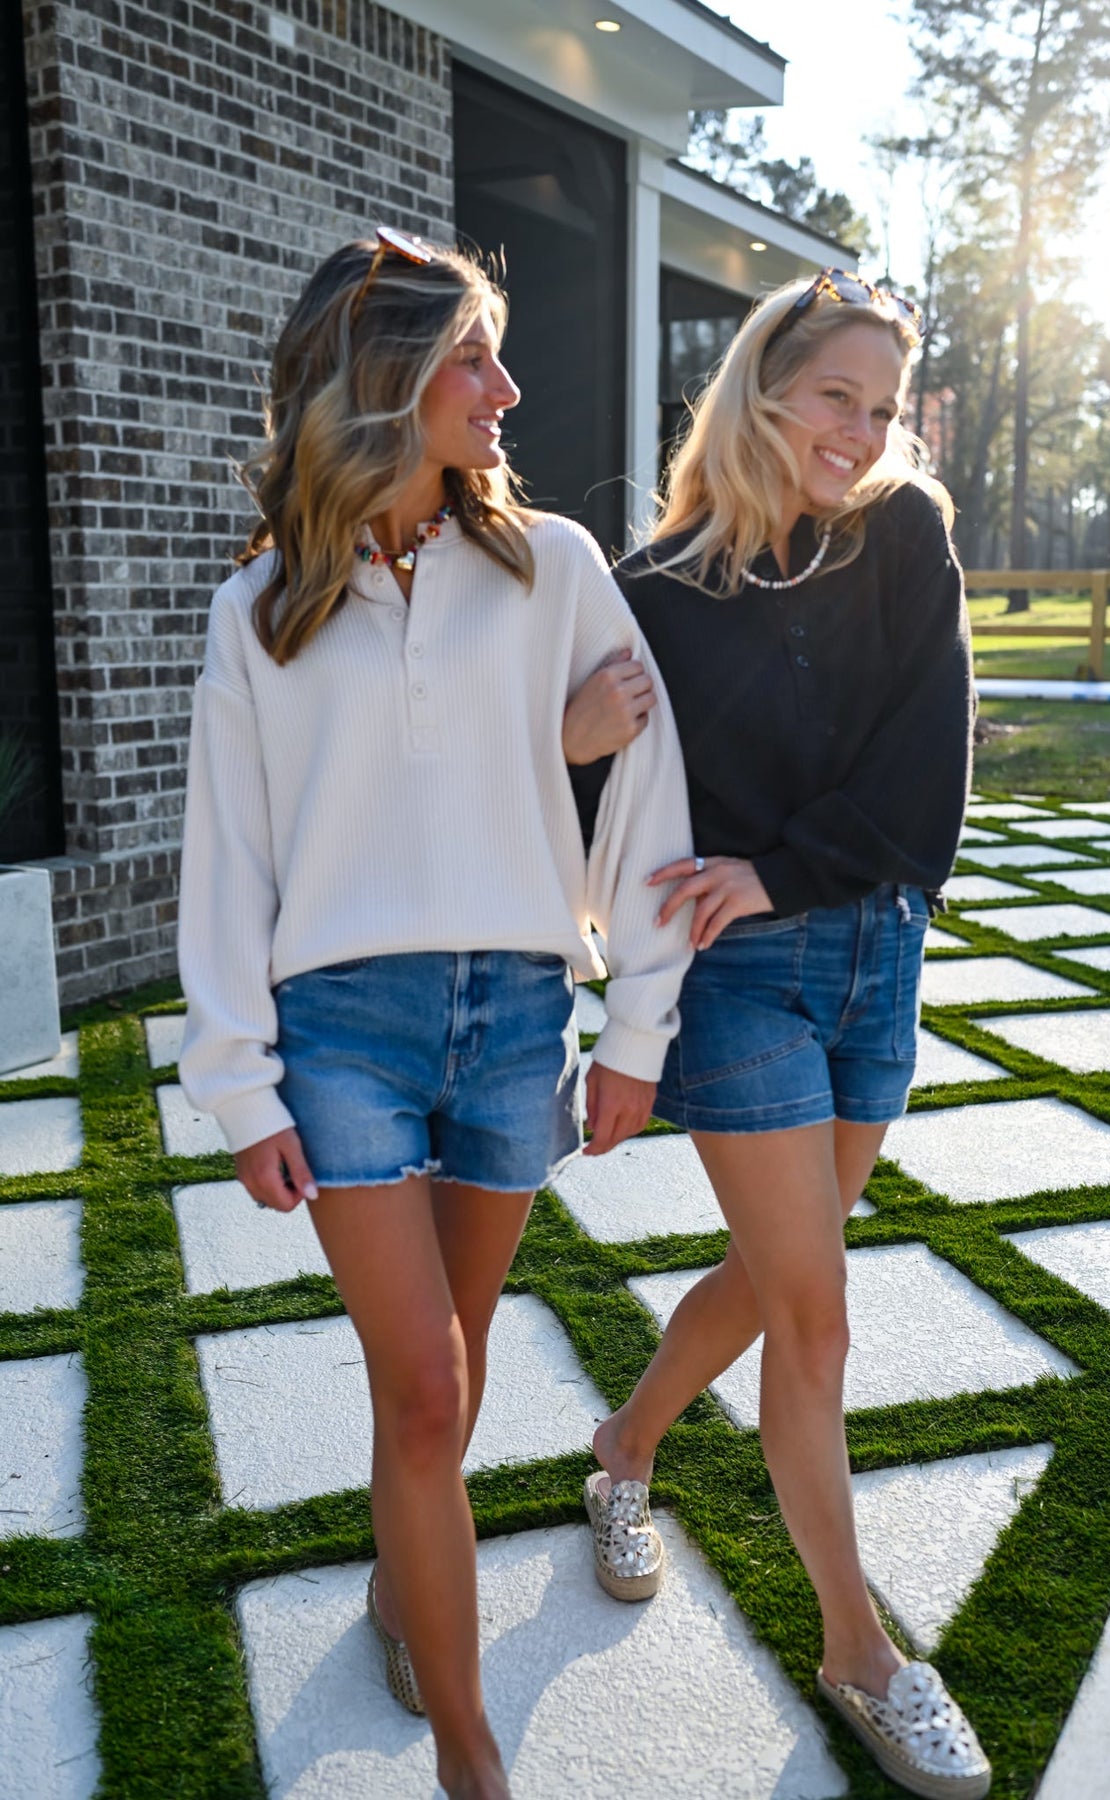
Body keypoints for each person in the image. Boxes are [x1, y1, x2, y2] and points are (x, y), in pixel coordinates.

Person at [176, 229, 693, 1800]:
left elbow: (648, 803)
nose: (505, 388)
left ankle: (407, 1594)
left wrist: (635, 1033)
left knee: (448, 1376)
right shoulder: (262, 608)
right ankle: (474, 1760)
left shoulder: (555, 569)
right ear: (382, 374)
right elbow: (231, 857)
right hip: (339, 1031)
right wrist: (239, 1087)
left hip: (515, 1014)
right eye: (472, 354)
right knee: (418, 1386)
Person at [568, 270, 990, 1799]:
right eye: (834, 397)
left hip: (878, 955)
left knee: (771, 1279)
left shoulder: (902, 533)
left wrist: (796, 865)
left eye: (881, 409)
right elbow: (580, 793)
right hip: (739, 977)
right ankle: (856, 1651)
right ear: (761, 386)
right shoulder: (652, 589)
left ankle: (622, 1448)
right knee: (815, 1317)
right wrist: (570, 743)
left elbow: (929, 754)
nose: (860, 433)